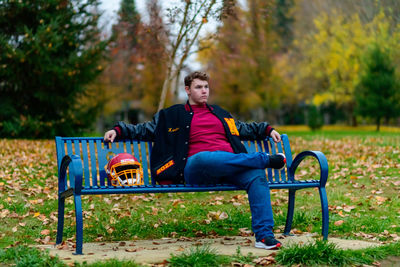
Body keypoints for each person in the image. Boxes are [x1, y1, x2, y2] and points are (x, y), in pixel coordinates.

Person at [104, 71, 286, 250]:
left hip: (230, 167)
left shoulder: (220, 114)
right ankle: (263, 159)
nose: (204, 91)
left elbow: (243, 128)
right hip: (196, 167)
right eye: (198, 87)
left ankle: (263, 236)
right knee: (204, 158)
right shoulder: (172, 115)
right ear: (188, 90)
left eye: (206, 87)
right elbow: (144, 129)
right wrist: (118, 130)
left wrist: (267, 129)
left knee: (256, 175)